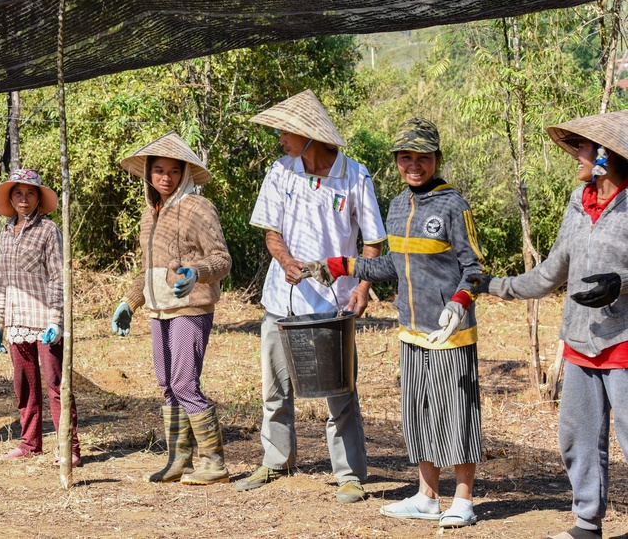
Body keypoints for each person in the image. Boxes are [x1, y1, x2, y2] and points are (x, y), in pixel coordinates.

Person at [305, 118, 484, 528]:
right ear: (397, 162)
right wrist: (341, 264)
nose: (414, 165)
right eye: (406, 157)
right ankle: (426, 496)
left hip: (450, 333)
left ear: (437, 159)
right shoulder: (400, 204)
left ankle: (463, 499)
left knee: (456, 414)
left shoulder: (453, 204)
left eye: (423, 157)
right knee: (419, 413)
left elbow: (474, 268)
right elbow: (393, 264)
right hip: (410, 328)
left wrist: (459, 301)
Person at [468, 109, 628, 539]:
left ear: (607, 155)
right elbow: (550, 273)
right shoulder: (578, 203)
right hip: (579, 341)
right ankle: (586, 525)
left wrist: (622, 283)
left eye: (583, 146)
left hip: (625, 344)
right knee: (577, 439)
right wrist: (493, 285)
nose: (576, 153)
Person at [238, 90, 386, 503]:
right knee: (275, 387)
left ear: (308, 135)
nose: (280, 138)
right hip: (280, 299)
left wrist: (362, 286)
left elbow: (372, 242)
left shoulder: (355, 175)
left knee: (340, 391)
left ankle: (350, 474)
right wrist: (284, 260)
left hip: (333, 302)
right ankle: (276, 460)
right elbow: (271, 232)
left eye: (285, 131)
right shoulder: (280, 171)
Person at [110, 133, 232, 484]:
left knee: (184, 383)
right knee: (167, 383)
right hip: (159, 309)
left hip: (191, 306)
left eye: (174, 171)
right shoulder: (150, 214)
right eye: (159, 170)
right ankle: (179, 459)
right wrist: (129, 302)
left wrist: (198, 273)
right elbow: (148, 269)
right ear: (148, 173)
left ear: (185, 173)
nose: (166, 178)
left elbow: (222, 259)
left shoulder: (198, 207)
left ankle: (214, 462)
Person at [0, 169, 81, 466]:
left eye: (30, 194)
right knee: (24, 384)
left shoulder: (48, 231)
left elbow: (58, 277)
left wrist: (56, 319)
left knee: (56, 383)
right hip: (16, 321)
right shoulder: (5, 232)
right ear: (11, 199)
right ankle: (30, 443)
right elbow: (1, 281)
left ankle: (69, 447)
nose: (24, 199)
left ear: (39, 198)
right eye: (18, 194)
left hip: (44, 320)